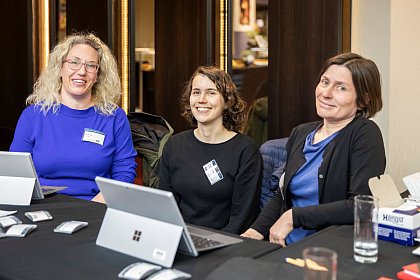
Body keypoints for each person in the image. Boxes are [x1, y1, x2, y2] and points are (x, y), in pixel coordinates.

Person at [241, 53, 386, 246]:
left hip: (328, 250)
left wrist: (293, 217)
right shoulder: (301, 133)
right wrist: (255, 230)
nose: (326, 93)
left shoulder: (364, 133)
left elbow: (359, 206)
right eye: (324, 82)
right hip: (284, 246)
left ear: (363, 100)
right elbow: (283, 194)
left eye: (341, 88)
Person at [10, 33, 137, 201]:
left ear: (98, 75)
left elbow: (124, 171)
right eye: (74, 62)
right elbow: (17, 173)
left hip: (96, 205)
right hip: (42, 206)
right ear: (60, 68)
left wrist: (101, 202)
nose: (82, 71)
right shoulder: (33, 116)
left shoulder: (114, 117)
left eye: (91, 66)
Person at [157, 66, 262, 234]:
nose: (202, 99)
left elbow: (242, 217)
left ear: (227, 101)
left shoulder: (245, 151)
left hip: (224, 242)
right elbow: (166, 205)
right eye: (196, 92)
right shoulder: (175, 145)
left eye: (211, 93)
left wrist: (218, 244)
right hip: (179, 236)